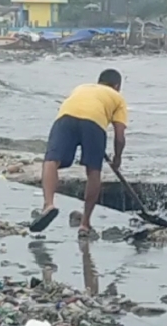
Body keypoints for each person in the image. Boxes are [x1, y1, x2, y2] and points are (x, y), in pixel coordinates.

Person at [30, 69, 128, 237]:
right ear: (117, 86)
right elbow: (119, 136)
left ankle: (48, 205)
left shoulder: (81, 88)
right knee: (93, 171)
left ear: (99, 81)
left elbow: (78, 108)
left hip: (65, 118)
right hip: (95, 124)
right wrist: (117, 159)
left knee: (51, 161)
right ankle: (85, 223)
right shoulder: (117, 97)